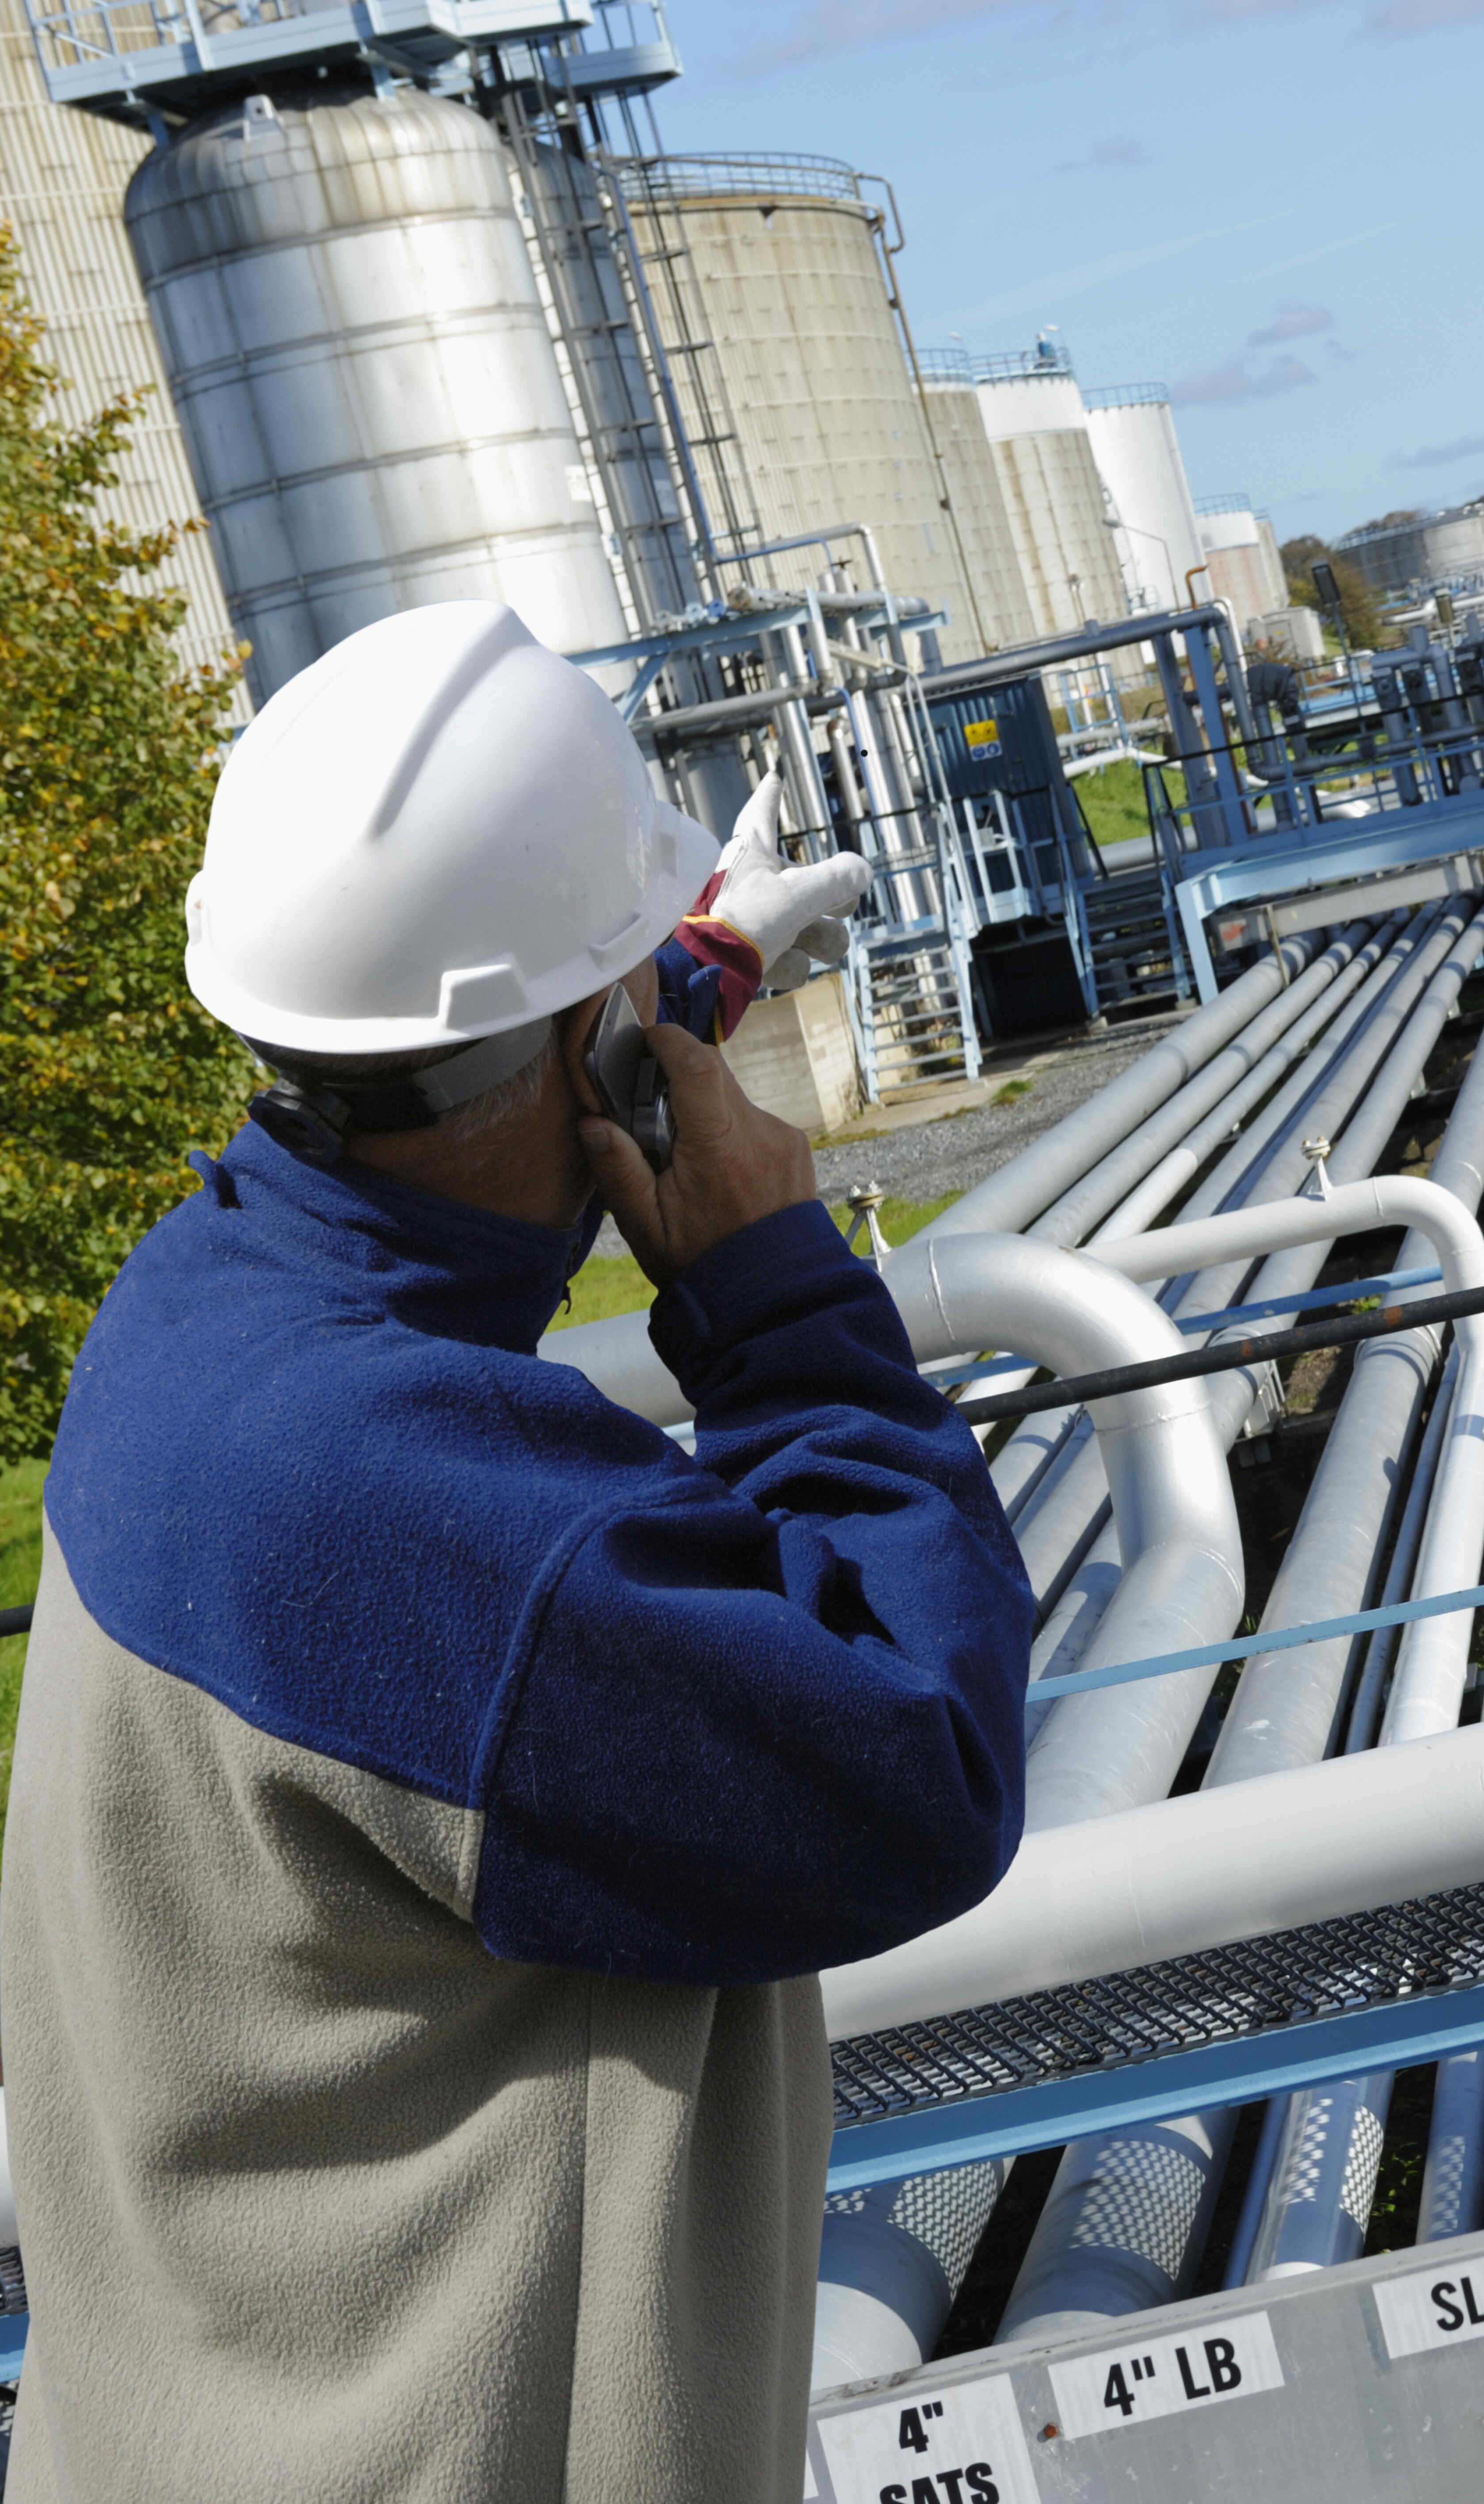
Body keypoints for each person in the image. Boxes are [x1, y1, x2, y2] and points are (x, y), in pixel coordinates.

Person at [4, 602, 1036, 2501]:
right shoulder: (424, 1511)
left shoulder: (199, 1319)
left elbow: (457, 1093)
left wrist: (672, 986)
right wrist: (778, 1301)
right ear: (587, 1061)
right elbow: (929, 1758)